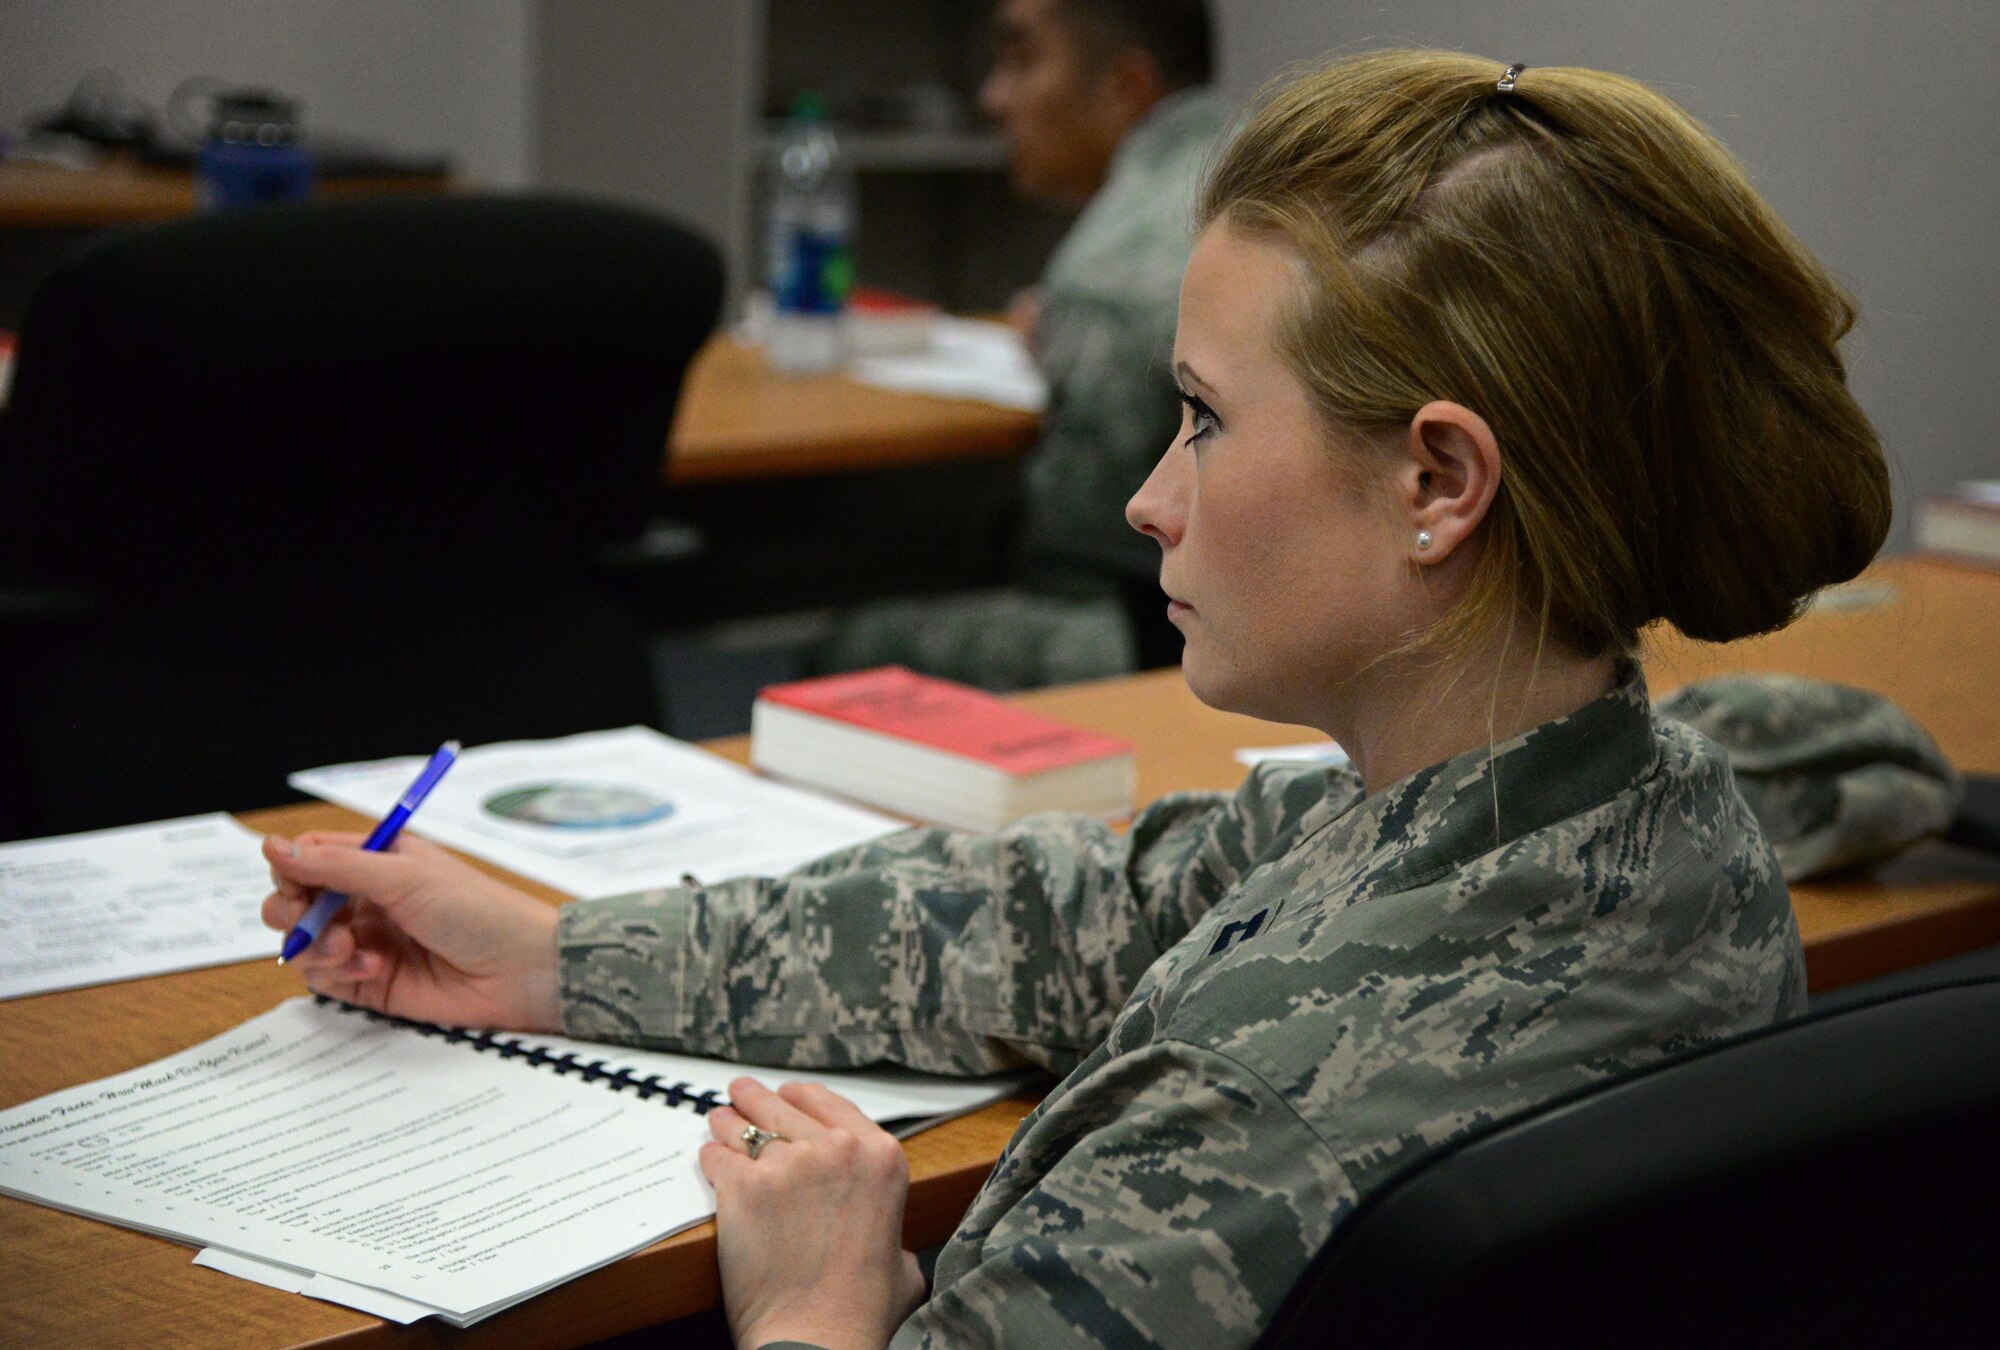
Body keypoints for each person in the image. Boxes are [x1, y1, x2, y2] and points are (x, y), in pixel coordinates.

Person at [262, 50, 1899, 1348]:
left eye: (1203, 418)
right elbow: (1085, 907)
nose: (1148, 501)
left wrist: (821, 1315)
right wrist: (553, 955)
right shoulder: (1649, 802)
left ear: (1438, 480)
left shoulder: (1234, 1126)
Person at [819, 0, 1224, 689]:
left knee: (855, 646)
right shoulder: (1261, 168)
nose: (992, 97)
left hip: (1160, 630)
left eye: (1021, 59)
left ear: (1124, 87)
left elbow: (1075, 546)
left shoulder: (1103, 278)